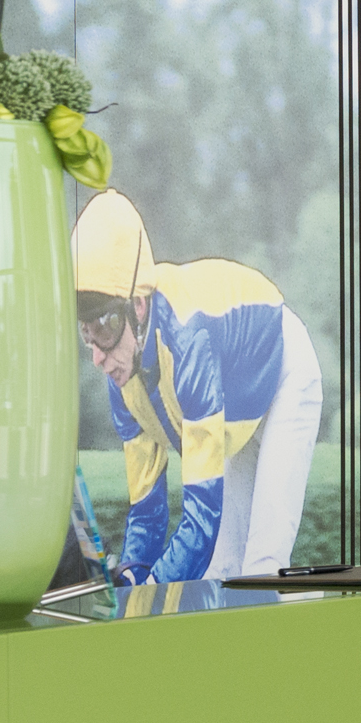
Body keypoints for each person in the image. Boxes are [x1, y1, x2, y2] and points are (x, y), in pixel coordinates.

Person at [74, 190, 322, 584]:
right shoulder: (120, 372)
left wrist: (153, 589)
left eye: (104, 327)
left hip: (285, 374)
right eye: (87, 333)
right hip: (232, 395)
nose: (98, 357)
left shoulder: (188, 342)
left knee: (262, 565)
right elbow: (148, 511)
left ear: (138, 307)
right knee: (219, 572)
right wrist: (132, 580)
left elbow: (201, 517)